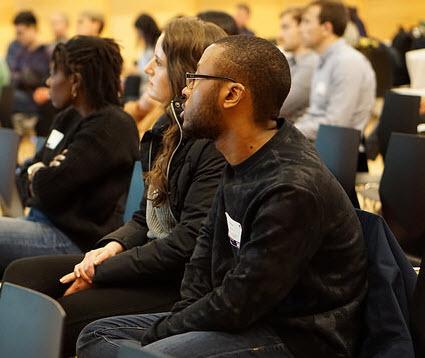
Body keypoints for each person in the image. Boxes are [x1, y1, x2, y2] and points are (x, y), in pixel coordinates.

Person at [76, 35, 367, 358]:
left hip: (295, 337)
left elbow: (238, 303)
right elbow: (202, 261)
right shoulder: (240, 155)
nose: (185, 89)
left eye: (196, 78)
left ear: (232, 95)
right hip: (245, 318)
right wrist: (177, 319)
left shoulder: (290, 188)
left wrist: (159, 335)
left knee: (143, 351)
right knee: (98, 334)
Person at [3, 17, 227, 357]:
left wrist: (104, 269)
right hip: (140, 256)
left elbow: (185, 245)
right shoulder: (163, 130)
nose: (148, 69)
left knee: (69, 311)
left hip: (175, 280)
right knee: (23, 275)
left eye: (160, 62)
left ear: (186, 73)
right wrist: (110, 249)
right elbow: (143, 218)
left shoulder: (207, 145)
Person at [0, 36, 140, 274]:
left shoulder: (113, 125)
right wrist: (40, 174)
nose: (48, 81)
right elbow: (26, 175)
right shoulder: (67, 117)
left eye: (54, 73)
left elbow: (48, 186)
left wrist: (40, 174)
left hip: (74, 241)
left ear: (75, 81)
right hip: (39, 223)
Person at [295, 0, 376, 140]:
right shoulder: (323, 59)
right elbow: (315, 113)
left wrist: (291, 132)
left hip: (337, 151)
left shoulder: (347, 62)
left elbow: (335, 124)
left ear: (326, 28)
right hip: (318, 142)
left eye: (306, 22)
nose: (300, 29)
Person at [6, 11, 50, 116]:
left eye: (20, 33)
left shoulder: (46, 52)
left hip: (35, 98)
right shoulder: (18, 49)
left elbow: (34, 79)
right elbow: (13, 74)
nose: (18, 37)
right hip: (18, 93)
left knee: (8, 96)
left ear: (32, 29)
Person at [278, 7, 318, 122]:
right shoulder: (291, 60)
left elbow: (279, 107)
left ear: (302, 28)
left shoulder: (310, 64)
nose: (279, 35)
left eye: (285, 27)